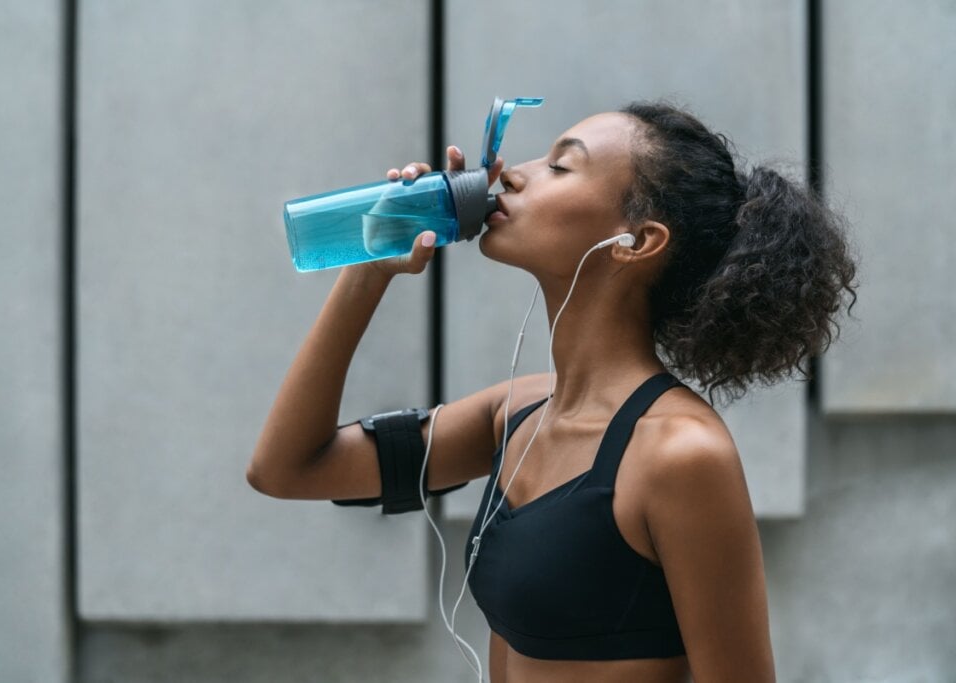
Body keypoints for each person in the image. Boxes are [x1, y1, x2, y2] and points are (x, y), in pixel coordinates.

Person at [247, 101, 857, 683]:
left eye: (561, 165)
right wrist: (369, 267)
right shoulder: (517, 413)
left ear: (637, 241)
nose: (511, 175)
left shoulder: (679, 456)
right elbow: (289, 470)